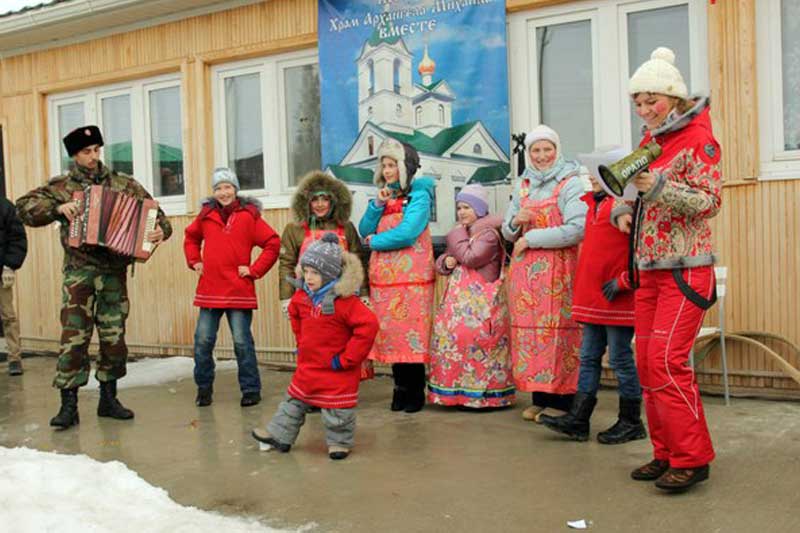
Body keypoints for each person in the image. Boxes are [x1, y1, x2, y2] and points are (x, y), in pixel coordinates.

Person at [16, 125, 172, 429]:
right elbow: (24, 208)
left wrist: (159, 232)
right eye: (86, 151)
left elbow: (159, 217)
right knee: (74, 337)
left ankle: (109, 399)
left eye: (96, 150)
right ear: (74, 155)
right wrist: (58, 208)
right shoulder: (62, 186)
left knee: (114, 337)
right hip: (79, 273)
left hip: (113, 273)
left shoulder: (123, 184)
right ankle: (68, 406)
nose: (93, 156)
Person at [615, 47, 721, 492]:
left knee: (665, 361)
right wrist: (623, 208)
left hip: (685, 268)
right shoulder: (649, 140)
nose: (644, 109)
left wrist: (657, 186)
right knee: (646, 362)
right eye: (637, 102)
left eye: (651, 101)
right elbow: (638, 194)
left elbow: (710, 202)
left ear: (673, 97)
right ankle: (666, 452)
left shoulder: (698, 137)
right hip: (649, 268)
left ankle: (693, 458)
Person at [538, 147, 645, 444]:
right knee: (588, 357)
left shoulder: (623, 206)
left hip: (616, 298)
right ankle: (579, 418)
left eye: (598, 173)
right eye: (590, 174)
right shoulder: (592, 205)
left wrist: (625, 281)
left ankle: (631, 421)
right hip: (594, 298)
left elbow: (639, 248)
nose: (591, 178)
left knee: (620, 358)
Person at [252, 233, 378, 460]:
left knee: (337, 409)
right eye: (306, 271)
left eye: (315, 273)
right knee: (293, 401)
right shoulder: (302, 297)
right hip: (309, 364)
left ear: (330, 274)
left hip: (337, 367)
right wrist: (301, 342)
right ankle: (279, 434)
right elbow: (295, 314)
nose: (308, 277)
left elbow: (368, 326)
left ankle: (339, 442)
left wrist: (348, 358)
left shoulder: (347, 302)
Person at [502, 125, 587, 422]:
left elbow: (577, 228)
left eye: (547, 149)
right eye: (535, 150)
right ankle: (540, 397)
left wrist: (531, 238)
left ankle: (563, 399)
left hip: (559, 271)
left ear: (557, 149)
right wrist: (515, 222)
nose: (541, 156)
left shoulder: (570, 183)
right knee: (531, 335)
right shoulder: (523, 184)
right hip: (526, 277)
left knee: (559, 334)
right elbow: (508, 232)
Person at [184, 168, 280, 407]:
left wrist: (254, 270)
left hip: (239, 291)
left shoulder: (249, 215)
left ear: (235, 189)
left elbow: (272, 242)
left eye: (227, 187)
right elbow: (191, 238)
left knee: (241, 342)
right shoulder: (206, 215)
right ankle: (203, 389)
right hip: (210, 290)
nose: (223, 192)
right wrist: (195, 260)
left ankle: (251, 390)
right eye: (218, 188)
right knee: (203, 341)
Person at [359, 138, 435, 413]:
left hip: (412, 279)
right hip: (385, 280)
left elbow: (408, 232)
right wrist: (376, 205)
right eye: (385, 165)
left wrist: (375, 242)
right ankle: (400, 387)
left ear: (405, 167)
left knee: (411, 334)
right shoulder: (385, 196)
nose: (388, 171)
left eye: (392, 165)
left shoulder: (419, 195)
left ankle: (415, 391)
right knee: (391, 335)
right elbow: (364, 228)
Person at [278, 170, 373, 380]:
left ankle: (342, 387)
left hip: (343, 299)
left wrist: (364, 294)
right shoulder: (294, 229)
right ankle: (314, 385)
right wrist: (286, 298)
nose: (320, 204)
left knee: (342, 344)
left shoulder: (346, 228)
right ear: (306, 202)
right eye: (315, 199)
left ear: (334, 201)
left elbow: (358, 263)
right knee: (312, 345)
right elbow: (286, 264)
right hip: (309, 300)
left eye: (325, 199)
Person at [428, 184, 515, 409]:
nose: (461, 212)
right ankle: (457, 394)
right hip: (461, 306)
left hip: (481, 307)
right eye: (459, 208)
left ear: (479, 209)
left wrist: (455, 235)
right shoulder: (466, 234)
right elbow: (450, 257)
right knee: (456, 345)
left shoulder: (488, 235)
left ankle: (483, 396)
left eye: (467, 207)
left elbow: (470, 257)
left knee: (479, 346)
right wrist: (445, 262)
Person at [0, 196, 27, 375]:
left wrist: (9, 266)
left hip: (1, 271)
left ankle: (14, 358)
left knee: (8, 316)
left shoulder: (5, 207)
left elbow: (18, 238)